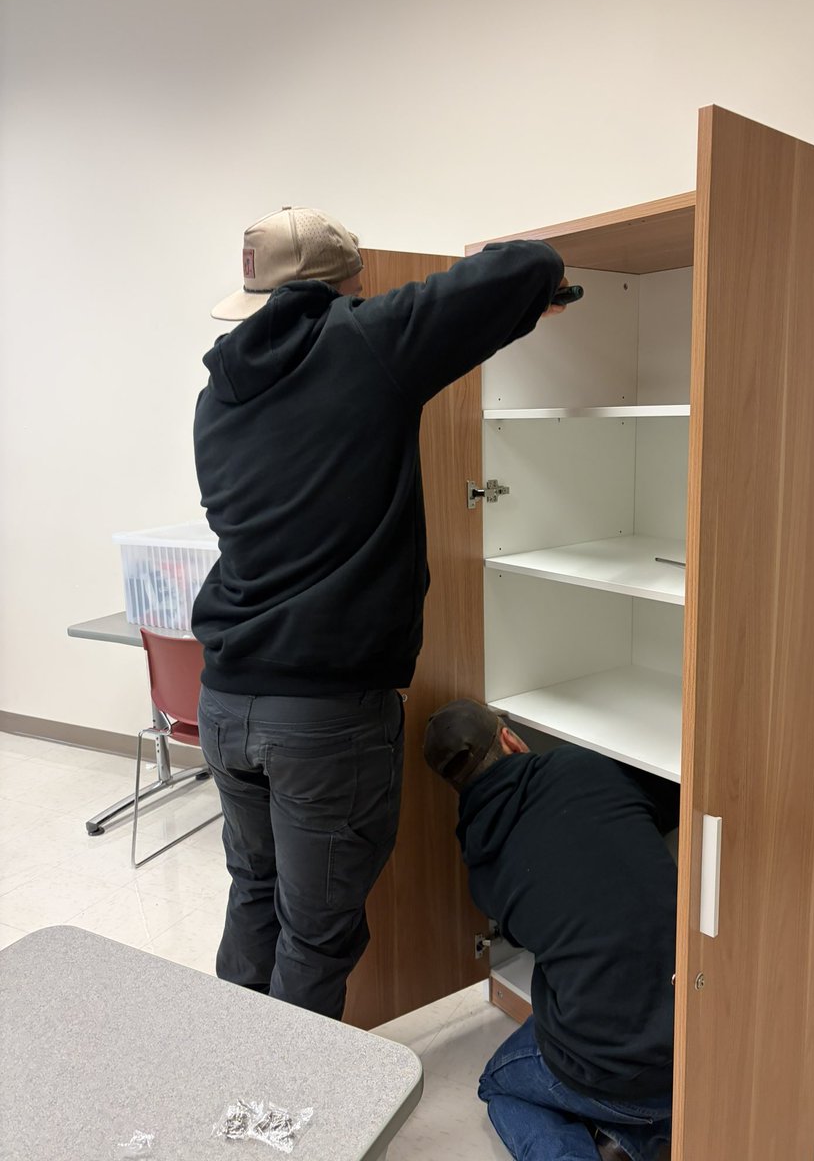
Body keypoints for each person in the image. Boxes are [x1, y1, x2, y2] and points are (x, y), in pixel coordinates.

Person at [192, 205, 569, 1019]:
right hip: (322, 718)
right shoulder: (364, 341)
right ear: (351, 283)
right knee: (317, 935)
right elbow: (529, 261)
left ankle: (223, 1075)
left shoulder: (216, 396)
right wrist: (526, 301)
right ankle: (286, 1119)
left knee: (254, 892)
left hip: (224, 697)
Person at [423, 698, 679, 1161]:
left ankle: (625, 1133)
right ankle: (644, 1130)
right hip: (701, 1039)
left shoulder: (483, 873)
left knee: (499, 1084)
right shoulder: (584, 768)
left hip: (626, 1074)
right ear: (510, 738)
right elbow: (670, 802)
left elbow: (528, 934)